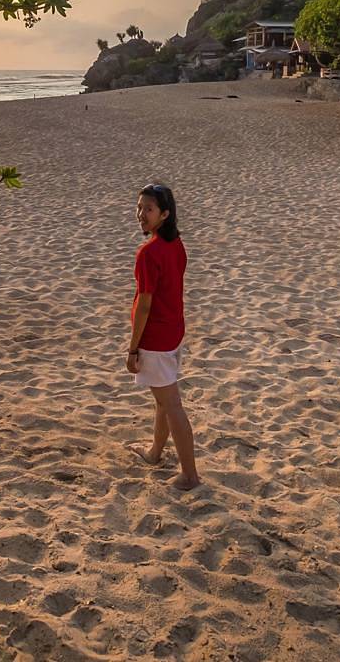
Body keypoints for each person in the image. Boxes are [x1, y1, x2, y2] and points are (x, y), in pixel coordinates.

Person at [127, 183, 200, 491]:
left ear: (165, 214)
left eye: (149, 209)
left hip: (156, 337)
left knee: (171, 405)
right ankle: (155, 452)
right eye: (139, 207)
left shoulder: (149, 253)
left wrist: (133, 348)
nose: (141, 214)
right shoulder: (175, 244)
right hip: (173, 331)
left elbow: (144, 304)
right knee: (162, 400)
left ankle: (190, 476)